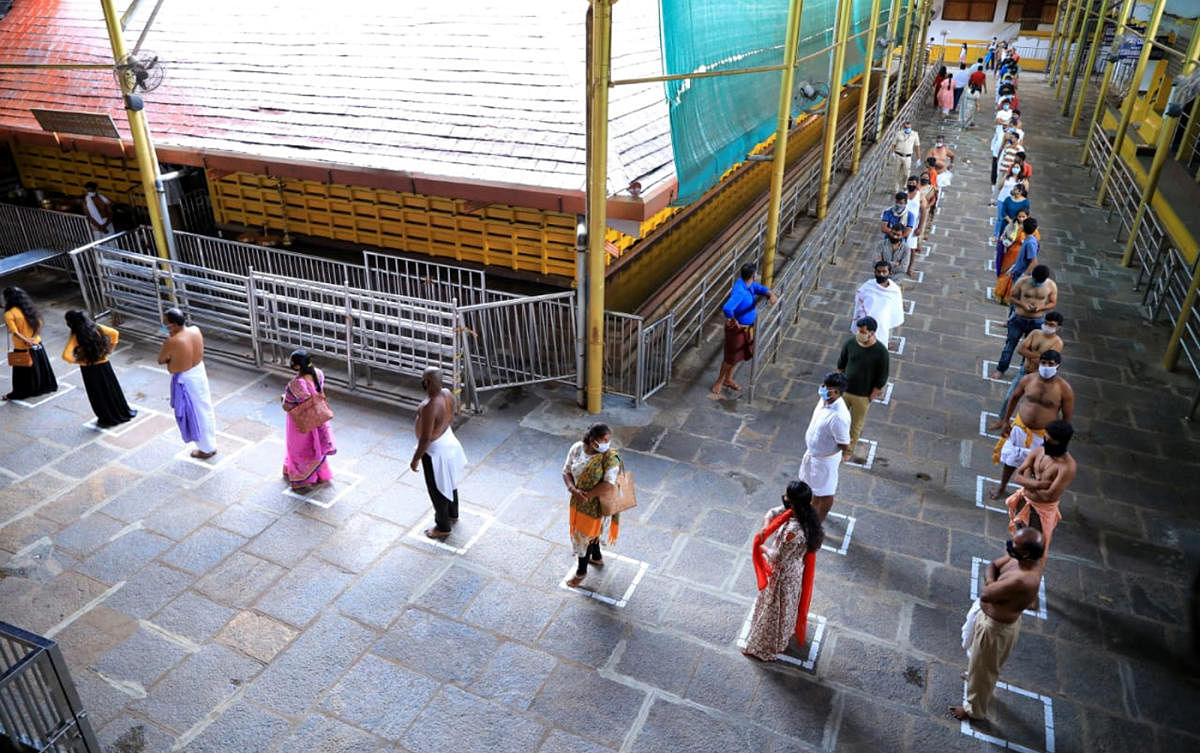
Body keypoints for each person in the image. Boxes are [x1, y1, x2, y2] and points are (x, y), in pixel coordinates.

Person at [950, 527, 1045, 723]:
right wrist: (992, 582)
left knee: (984, 670)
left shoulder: (1022, 578)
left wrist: (991, 585)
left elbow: (986, 593)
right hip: (986, 617)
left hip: (995, 627)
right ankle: (974, 676)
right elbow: (992, 566)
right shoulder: (1020, 559)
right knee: (978, 659)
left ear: (1026, 553)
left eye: (1015, 544)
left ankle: (974, 710)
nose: (1010, 545)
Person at [743, 481, 825, 661]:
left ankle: (765, 646)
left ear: (793, 502)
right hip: (794, 571)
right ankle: (781, 637)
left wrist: (760, 546)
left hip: (783, 575)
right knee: (785, 608)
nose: (784, 498)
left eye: (787, 496)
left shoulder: (793, 532)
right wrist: (766, 527)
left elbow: (778, 557)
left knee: (774, 609)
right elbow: (773, 513)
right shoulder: (805, 513)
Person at [990, 350, 1073, 500]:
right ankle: (1002, 486)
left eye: (1050, 364)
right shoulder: (1028, 380)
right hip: (1021, 427)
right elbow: (1014, 398)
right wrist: (1006, 421)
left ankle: (1028, 495)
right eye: (1043, 362)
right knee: (1011, 460)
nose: (1046, 366)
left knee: (1037, 467)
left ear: (1057, 366)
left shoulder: (1064, 389)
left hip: (1044, 434)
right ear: (1039, 363)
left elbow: (1066, 419)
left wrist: (1060, 443)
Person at [410, 366, 468, 539]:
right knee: (449, 481)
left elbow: (425, 438)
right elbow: (451, 416)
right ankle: (453, 512)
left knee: (436, 489)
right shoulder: (448, 394)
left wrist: (415, 459)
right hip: (448, 440)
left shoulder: (429, 406)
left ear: (427, 382)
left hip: (435, 450)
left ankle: (443, 526)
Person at [562, 423, 621, 587]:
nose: (607, 443)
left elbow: (609, 485)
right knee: (589, 535)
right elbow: (566, 471)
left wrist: (586, 496)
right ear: (592, 440)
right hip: (577, 501)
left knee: (583, 538)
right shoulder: (577, 449)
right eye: (604, 440)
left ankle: (581, 572)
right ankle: (596, 557)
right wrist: (573, 490)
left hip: (595, 507)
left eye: (608, 440)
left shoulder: (609, 458)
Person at [157, 308, 218, 459]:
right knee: (204, 407)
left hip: (187, 379)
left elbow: (161, 360)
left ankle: (206, 448)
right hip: (199, 372)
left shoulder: (171, 342)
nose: (164, 327)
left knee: (194, 413)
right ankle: (210, 444)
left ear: (175, 325)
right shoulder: (195, 330)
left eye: (166, 324)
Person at [988, 311, 1063, 432]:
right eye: (1046, 323)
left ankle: (1031, 427)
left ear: (1058, 327)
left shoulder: (1057, 343)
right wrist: (1038, 356)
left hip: (1039, 377)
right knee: (1010, 397)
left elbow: (1048, 361)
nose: (1048, 326)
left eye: (1052, 325)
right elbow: (1021, 349)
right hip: (1024, 371)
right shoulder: (1035, 333)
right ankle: (1003, 420)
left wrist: (1032, 356)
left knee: (1033, 404)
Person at [1007, 420, 1076, 549]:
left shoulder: (1067, 467)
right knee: (1018, 537)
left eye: (1050, 442)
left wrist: (1028, 481)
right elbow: (1018, 477)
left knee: (1032, 546)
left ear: (1061, 444)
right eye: (1045, 439)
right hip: (1024, 501)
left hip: (1040, 513)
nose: (1046, 444)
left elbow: (1048, 496)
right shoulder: (1039, 451)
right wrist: (1039, 484)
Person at [62, 310, 136, 427]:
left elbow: (66, 356)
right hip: (104, 364)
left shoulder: (75, 336)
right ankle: (122, 411)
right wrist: (110, 350)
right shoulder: (96, 327)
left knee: (98, 394)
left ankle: (107, 417)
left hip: (89, 369)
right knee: (112, 389)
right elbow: (114, 333)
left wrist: (80, 361)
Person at [713, 262, 777, 395]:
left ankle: (728, 379)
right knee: (730, 357)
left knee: (738, 355)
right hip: (738, 330)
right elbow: (727, 307)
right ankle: (719, 381)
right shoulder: (740, 291)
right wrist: (732, 319)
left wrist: (770, 294)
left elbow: (760, 288)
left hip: (747, 328)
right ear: (753, 276)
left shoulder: (748, 285)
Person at [280, 349, 336, 491]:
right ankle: (319, 473)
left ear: (298, 366)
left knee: (299, 449)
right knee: (317, 446)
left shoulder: (297, 384)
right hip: (318, 417)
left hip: (302, 422)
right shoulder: (318, 374)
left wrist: (283, 398)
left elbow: (287, 406)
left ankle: (303, 479)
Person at [798, 372, 851, 522]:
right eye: (823, 386)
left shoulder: (839, 417)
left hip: (824, 460)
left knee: (825, 493)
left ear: (836, 392)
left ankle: (818, 522)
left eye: (826, 388)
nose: (822, 389)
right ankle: (810, 509)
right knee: (811, 486)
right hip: (812, 453)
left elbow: (844, 443)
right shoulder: (824, 399)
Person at [837, 316, 889, 463]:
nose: (860, 333)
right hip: (844, 391)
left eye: (863, 331)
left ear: (872, 333)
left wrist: (870, 397)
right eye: (859, 330)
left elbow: (882, 378)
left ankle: (848, 451)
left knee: (855, 426)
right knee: (838, 419)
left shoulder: (881, 352)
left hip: (862, 396)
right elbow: (841, 365)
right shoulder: (850, 343)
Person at [992, 265, 1057, 378]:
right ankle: (1001, 369)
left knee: (1030, 348)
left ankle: (1024, 370)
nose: (1037, 283)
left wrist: (1040, 308)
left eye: (1040, 281)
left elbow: (1053, 302)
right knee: (1010, 345)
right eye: (1036, 280)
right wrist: (1023, 305)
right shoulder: (1023, 282)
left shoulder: (1050, 285)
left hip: (1036, 321)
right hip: (1019, 318)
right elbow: (1012, 297)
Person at [2, 287, 57, 401]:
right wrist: (32, 338)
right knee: (41, 366)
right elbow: (39, 323)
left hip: (22, 346)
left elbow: (15, 332)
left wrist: (26, 341)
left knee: (22, 374)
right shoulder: (29, 308)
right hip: (37, 342)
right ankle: (42, 386)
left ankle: (20, 393)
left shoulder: (9, 314)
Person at [852, 260, 904, 348]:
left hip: (883, 324)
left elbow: (896, 308)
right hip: (866, 324)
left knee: (879, 348)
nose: (881, 274)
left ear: (890, 273)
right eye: (878, 272)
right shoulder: (867, 286)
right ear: (875, 272)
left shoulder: (894, 290)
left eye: (884, 272)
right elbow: (859, 300)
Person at [903, 177, 926, 276]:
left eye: (913, 183)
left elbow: (923, 212)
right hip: (902, 223)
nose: (911, 184)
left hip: (913, 225)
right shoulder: (903, 194)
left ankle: (910, 268)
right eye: (909, 182)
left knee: (912, 248)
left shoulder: (920, 196)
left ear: (916, 184)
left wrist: (920, 227)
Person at [892, 121, 920, 189]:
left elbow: (917, 146)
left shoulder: (915, 134)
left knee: (906, 174)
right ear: (903, 127)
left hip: (908, 157)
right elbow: (894, 144)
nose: (907, 129)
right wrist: (892, 152)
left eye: (909, 127)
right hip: (898, 155)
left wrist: (918, 158)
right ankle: (896, 189)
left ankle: (905, 185)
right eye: (906, 127)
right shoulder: (899, 134)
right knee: (897, 173)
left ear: (911, 127)